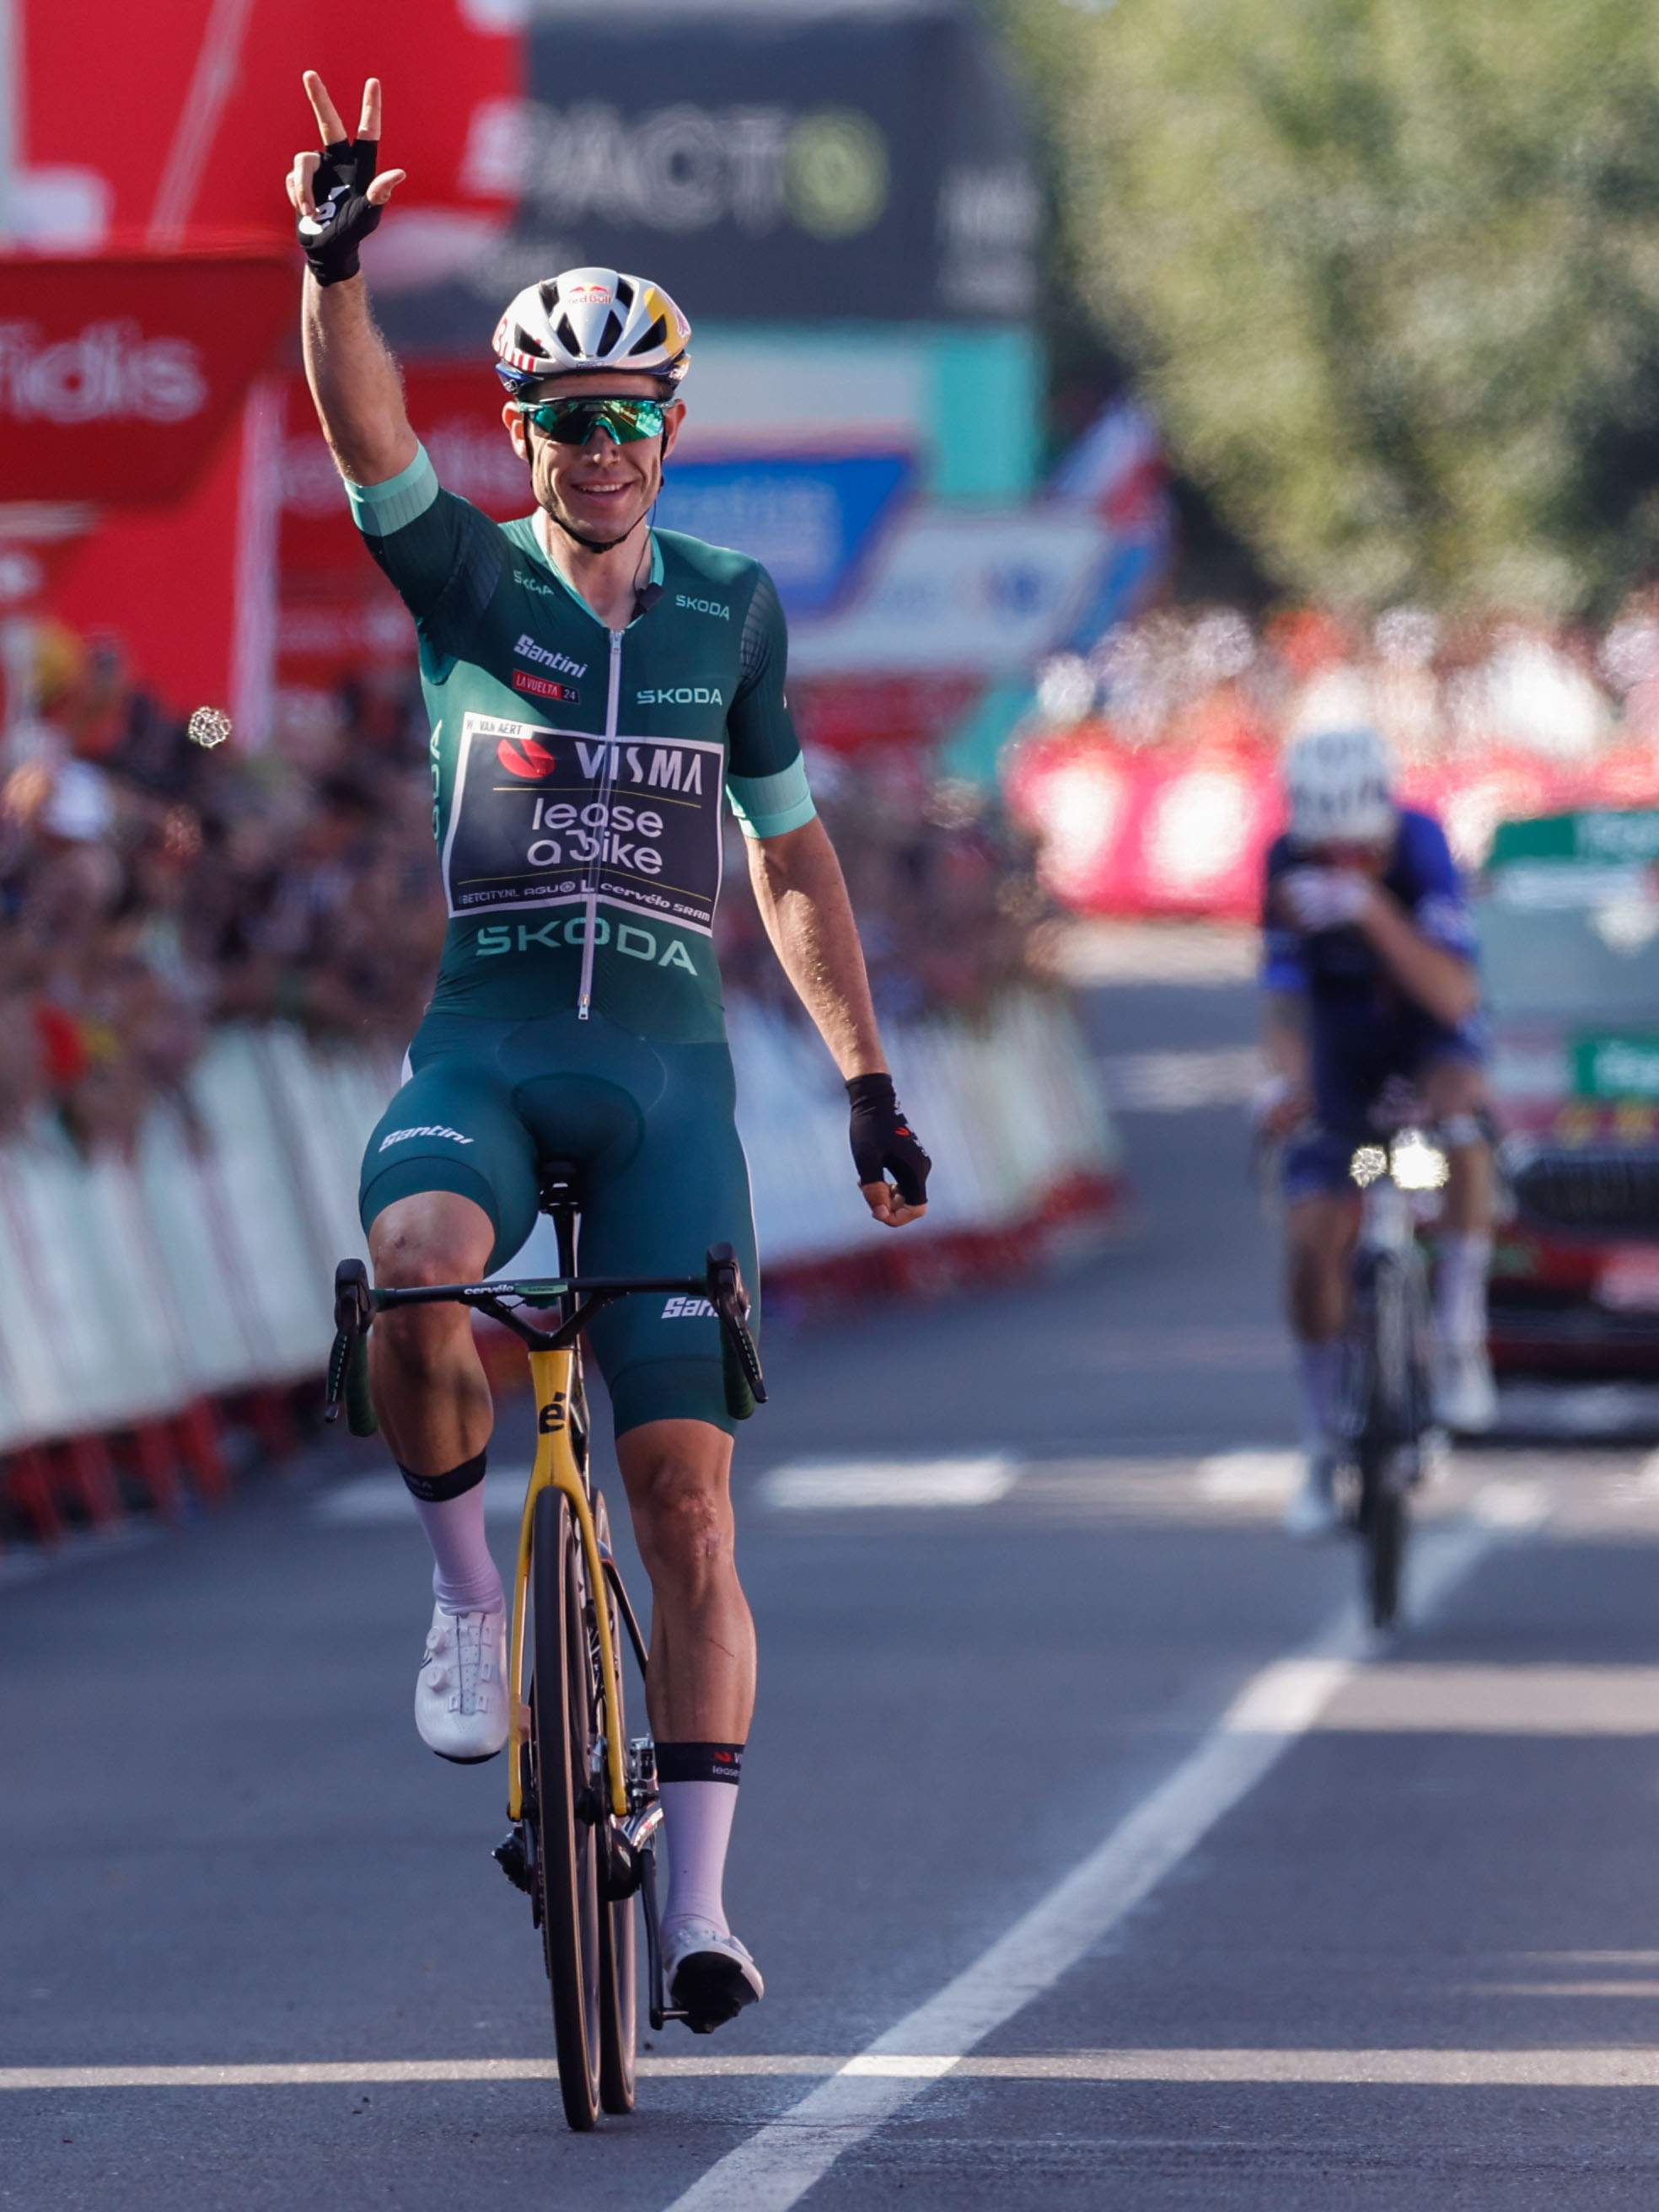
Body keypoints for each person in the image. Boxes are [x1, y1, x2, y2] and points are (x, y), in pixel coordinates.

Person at [287, 74, 932, 2032]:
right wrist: (332, 270)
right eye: (565, 418)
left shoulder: (733, 614)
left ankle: (702, 1910)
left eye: (627, 416)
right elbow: (360, 434)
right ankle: (473, 1600)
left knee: (684, 1500)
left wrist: (870, 1083)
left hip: (669, 1092)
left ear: (669, 427)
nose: (598, 446)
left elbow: (792, 855)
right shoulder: (470, 581)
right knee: (414, 1276)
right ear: (527, 434)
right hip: (486, 1048)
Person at [1254, 724, 1497, 1539]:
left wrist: (1373, 913)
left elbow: (1456, 997)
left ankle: (1460, 1333)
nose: (1340, 867)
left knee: (1459, 1122)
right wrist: (1283, 1085)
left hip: (1425, 1046)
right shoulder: (1285, 863)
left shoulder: (1421, 847)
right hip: (1345, 1065)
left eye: (1359, 852)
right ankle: (1323, 1446)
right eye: (1327, 854)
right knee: (1314, 1235)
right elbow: (1286, 1002)